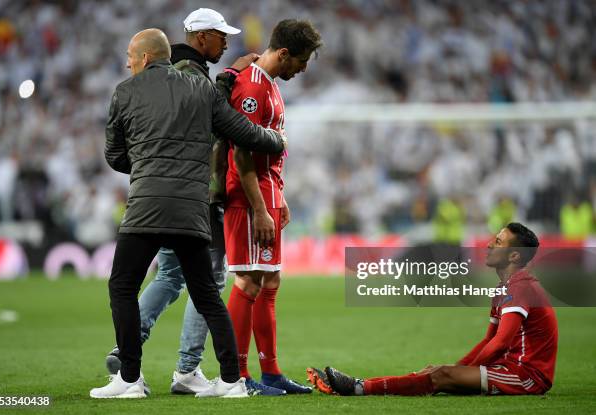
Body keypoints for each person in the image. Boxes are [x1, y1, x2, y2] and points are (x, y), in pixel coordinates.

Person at [89, 28, 286, 399]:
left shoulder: (124, 92)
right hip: (192, 209)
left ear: (145, 58)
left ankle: (130, 378)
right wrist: (277, 140)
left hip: (146, 207)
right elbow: (242, 132)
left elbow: (114, 156)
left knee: (123, 286)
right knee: (207, 294)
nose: (127, 62)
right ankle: (230, 381)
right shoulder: (201, 89)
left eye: (131, 56)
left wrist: (148, 166)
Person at [308, 223, 558, 397]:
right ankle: (360, 385)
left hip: (527, 376)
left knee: (440, 376)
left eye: (498, 242)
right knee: (438, 373)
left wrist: (459, 371)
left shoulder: (520, 287)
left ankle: (357, 387)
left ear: (514, 256)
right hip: (508, 367)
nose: (490, 245)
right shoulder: (505, 287)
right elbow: (488, 340)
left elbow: (501, 342)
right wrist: (458, 367)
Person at [224, 19, 322, 394]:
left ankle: (271, 372)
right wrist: (261, 208)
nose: (303, 68)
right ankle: (238, 376)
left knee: (270, 281)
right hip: (249, 199)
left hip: (267, 195)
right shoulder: (251, 88)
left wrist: (278, 198)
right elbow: (242, 153)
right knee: (248, 280)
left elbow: (270, 153)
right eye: (302, 60)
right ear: (283, 53)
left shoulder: (271, 86)